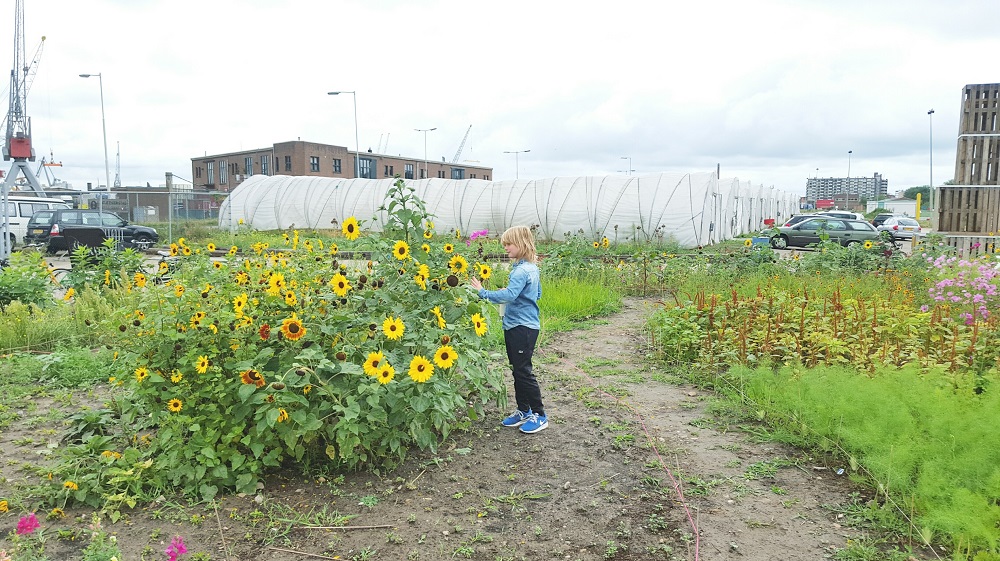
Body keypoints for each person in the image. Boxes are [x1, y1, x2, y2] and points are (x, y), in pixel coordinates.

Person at [470, 225, 547, 434]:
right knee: (518, 369)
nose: (505, 248)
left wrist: (482, 292)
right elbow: (536, 294)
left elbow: (510, 296)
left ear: (521, 244)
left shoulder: (521, 270)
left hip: (522, 327)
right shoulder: (530, 267)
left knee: (523, 371)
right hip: (519, 325)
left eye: (508, 244)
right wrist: (514, 293)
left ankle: (539, 415)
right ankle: (524, 410)